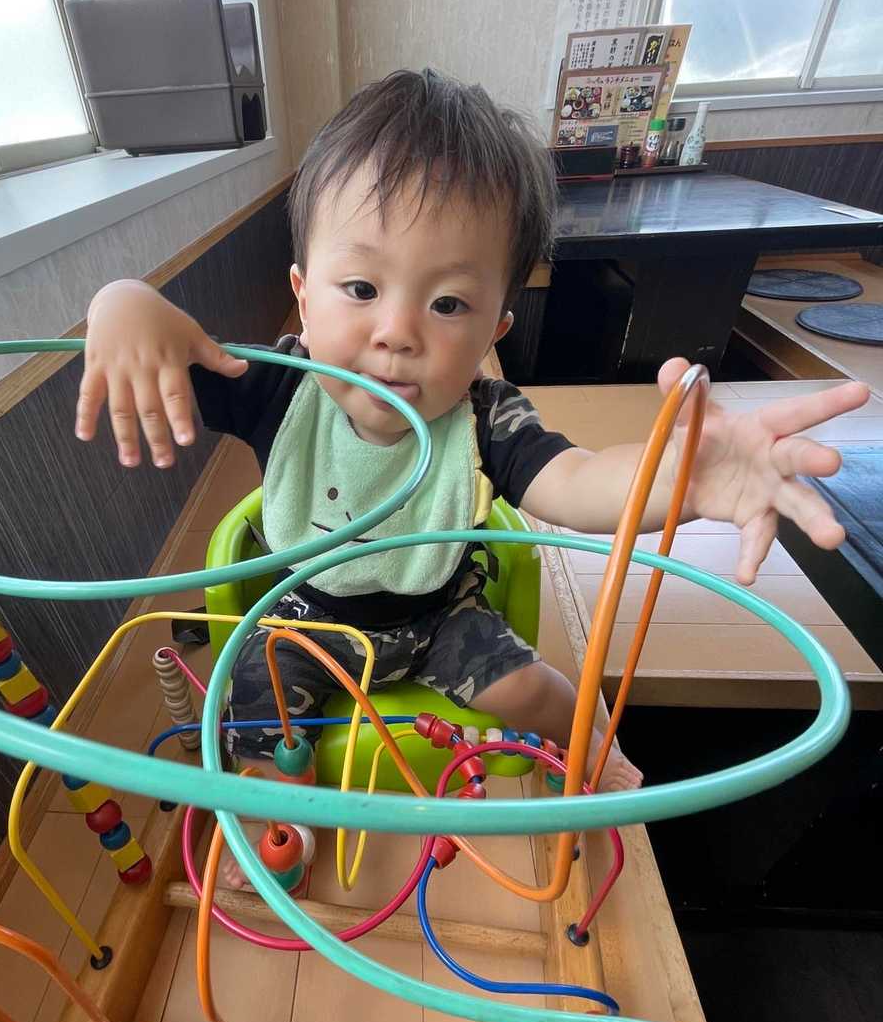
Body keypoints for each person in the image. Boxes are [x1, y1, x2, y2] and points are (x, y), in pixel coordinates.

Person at [77, 68, 867, 809]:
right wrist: (121, 303)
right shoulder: (278, 388)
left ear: (496, 329)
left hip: (436, 623)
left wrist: (683, 477)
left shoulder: (486, 419)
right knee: (251, 710)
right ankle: (276, 819)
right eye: (361, 288)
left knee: (531, 688)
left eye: (448, 304)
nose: (397, 332)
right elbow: (175, 359)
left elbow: (576, 481)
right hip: (302, 622)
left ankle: (590, 739)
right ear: (305, 299)